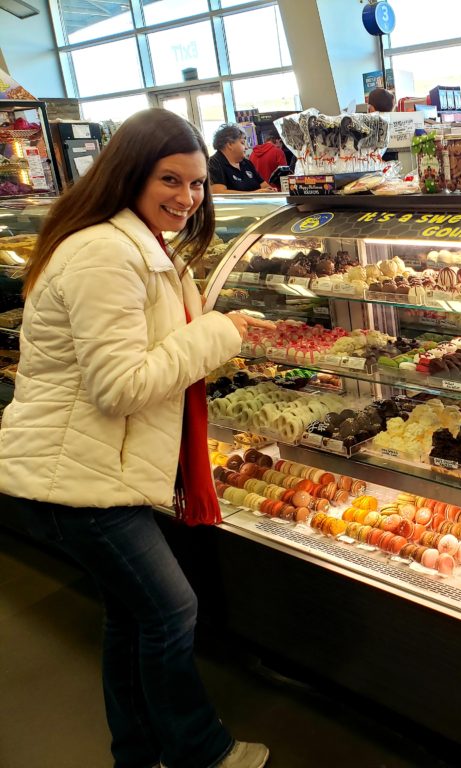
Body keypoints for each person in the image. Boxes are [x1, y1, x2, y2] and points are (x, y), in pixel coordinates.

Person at [0, 108, 274, 768]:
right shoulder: (102, 253)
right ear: (130, 174)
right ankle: (199, 752)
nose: (187, 198)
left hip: (91, 464)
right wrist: (217, 334)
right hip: (76, 477)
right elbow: (119, 386)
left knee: (132, 617)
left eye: (199, 184)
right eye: (169, 180)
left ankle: (137, 752)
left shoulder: (134, 242)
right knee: (170, 612)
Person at [208, 123, 271, 193]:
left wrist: (270, 191)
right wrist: (253, 194)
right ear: (230, 144)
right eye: (243, 143)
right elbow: (219, 193)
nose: (246, 147)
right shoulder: (214, 163)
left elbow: (265, 187)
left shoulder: (247, 163)